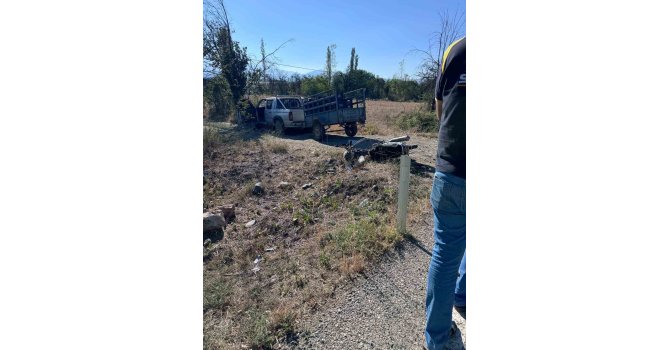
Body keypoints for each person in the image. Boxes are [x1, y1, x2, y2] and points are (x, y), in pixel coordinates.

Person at [425, 36, 466, 350]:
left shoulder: (456, 49)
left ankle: (437, 339)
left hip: (450, 171)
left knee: (445, 252)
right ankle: (463, 295)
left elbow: (440, 111)